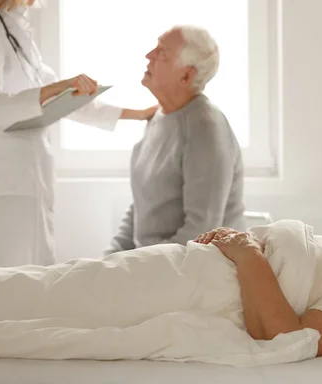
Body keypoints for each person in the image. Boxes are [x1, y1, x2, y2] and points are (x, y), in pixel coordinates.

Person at [0, 176, 322, 359]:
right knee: (43, 282)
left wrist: (246, 251)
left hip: (179, 294)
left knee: (43, 296)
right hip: (174, 268)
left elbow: (285, 337)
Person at [0, 0, 158, 272]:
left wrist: (138, 114)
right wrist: (58, 87)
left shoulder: (12, 24)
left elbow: (65, 100)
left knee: (30, 277)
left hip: (27, 178)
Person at [104, 25, 245, 255]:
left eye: (162, 53)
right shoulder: (158, 117)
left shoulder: (205, 126)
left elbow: (201, 231)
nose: (148, 56)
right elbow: (142, 206)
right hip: (158, 263)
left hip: (199, 267)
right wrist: (110, 258)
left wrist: (135, 266)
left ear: (186, 76)